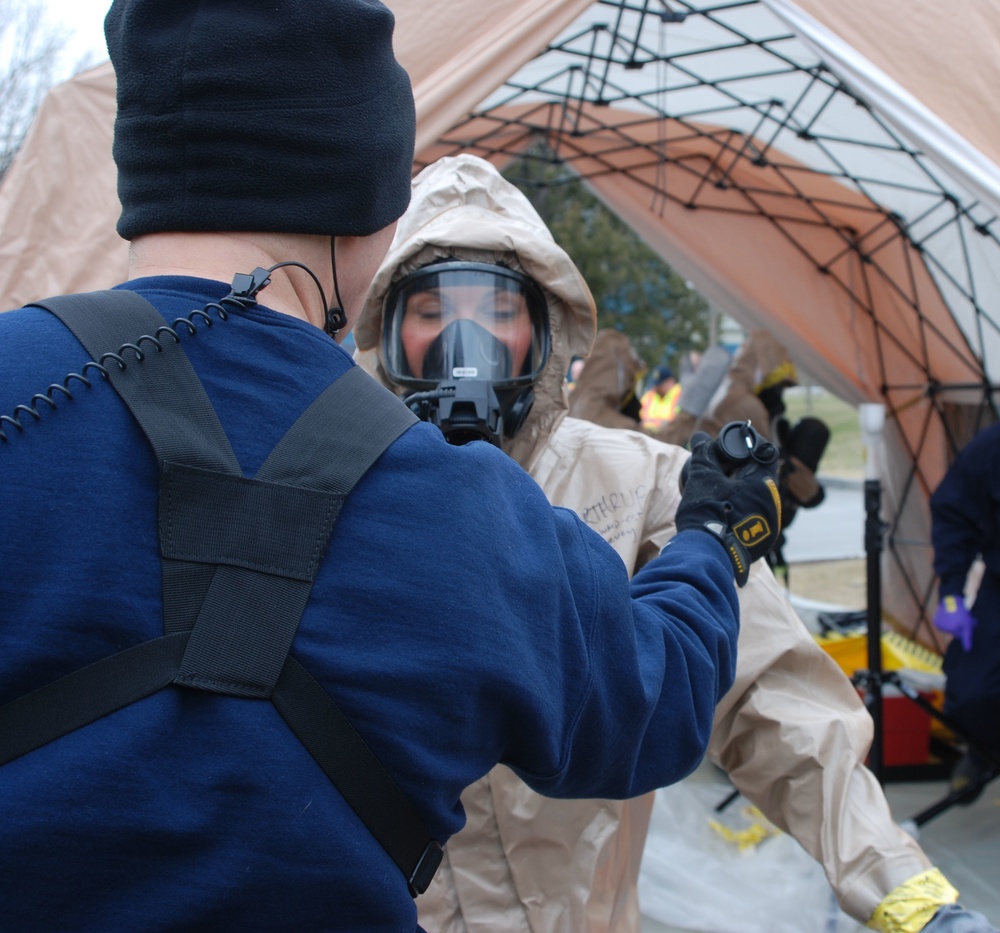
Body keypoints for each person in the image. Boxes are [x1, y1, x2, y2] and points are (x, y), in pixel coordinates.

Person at [0, 3, 784, 931]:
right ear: (370, 212)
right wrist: (707, 542)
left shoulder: (24, 397)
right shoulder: (460, 511)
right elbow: (651, 704)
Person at [355, 153, 997, 933]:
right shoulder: (338, 486)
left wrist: (905, 893)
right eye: (432, 310)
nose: (467, 342)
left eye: (496, 311)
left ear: (541, 327)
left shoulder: (640, 485)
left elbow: (768, 691)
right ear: (384, 329)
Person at [930, 421, 1000, 800]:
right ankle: (986, 751)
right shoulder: (993, 445)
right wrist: (952, 594)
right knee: (970, 693)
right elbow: (954, 513)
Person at [640, 363, 681, 431]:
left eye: (659, 385)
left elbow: (677, 424)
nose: (655, 388)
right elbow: (641, 420)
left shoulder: (681, 396)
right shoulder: (649, 397)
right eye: (655, 384)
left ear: (670, 382)